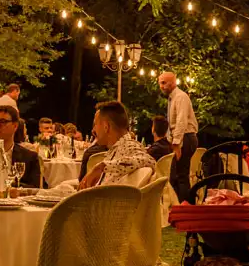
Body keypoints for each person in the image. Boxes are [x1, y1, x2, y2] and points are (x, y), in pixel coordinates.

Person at [79, 101, 156, 189]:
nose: (93, 130)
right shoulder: (116, 149)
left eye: (95, 124)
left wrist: (101, 167)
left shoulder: (128, 145)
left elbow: (150, 161)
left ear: (106, 126)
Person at [158, 71, 199, 202]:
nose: (161, 86)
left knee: (180, 176)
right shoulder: (173, 98)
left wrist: (176, 143)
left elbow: (181, 121)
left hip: (185, 138)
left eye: (164, 83)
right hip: (184, 137)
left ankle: (184, 206)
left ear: (173, 82)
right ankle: (183, 205)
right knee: (178, 176)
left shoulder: (180, 97)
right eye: (160, 83)